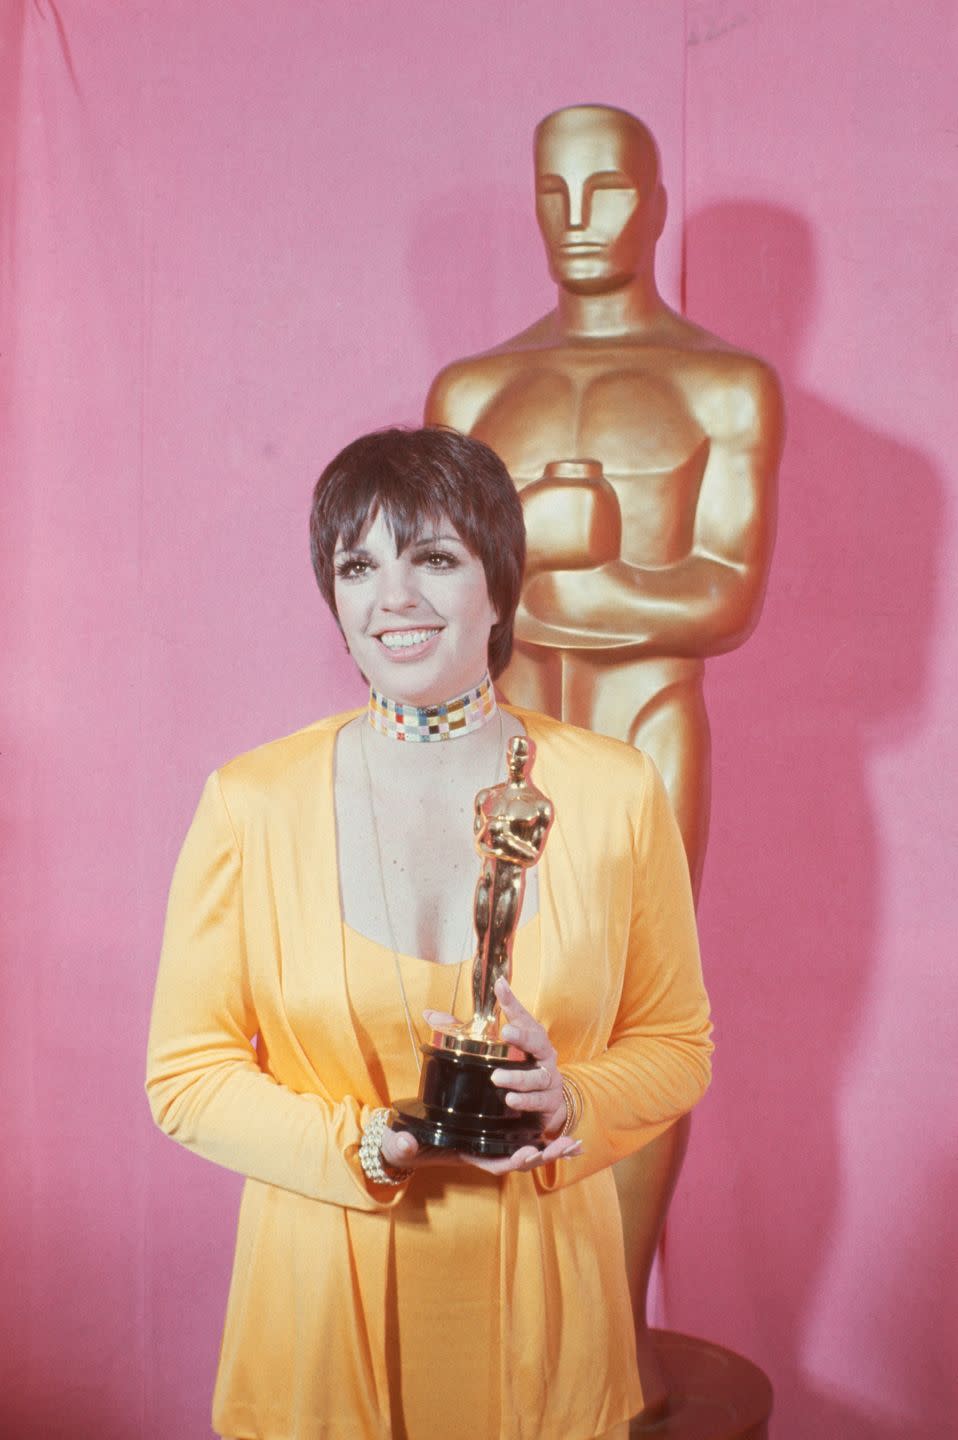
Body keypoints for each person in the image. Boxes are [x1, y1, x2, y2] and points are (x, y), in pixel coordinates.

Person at [146, 426, 713, 1440]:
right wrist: (362, 1144)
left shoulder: (615, 791)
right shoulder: (251, 802)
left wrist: (572, 1093)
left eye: (434, 558)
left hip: (546, 1314)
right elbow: (185, 1075)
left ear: (499, 583)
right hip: (321, 1314)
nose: (391, 596)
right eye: (357, 565)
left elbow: (678, 1047)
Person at [425, 104, 783, 1409]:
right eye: (554, 196)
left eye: (609, 195)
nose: (581, 224)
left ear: (655, 199)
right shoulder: (470, 390)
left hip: (639, 734)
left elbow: (721, 598)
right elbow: (440, 603)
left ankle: (612, 1338)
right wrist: (580, 564)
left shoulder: (720, 385)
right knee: (489, 1008)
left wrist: (552, 555)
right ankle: (518, 1325)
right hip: (498, 745)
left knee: (636, 1015)